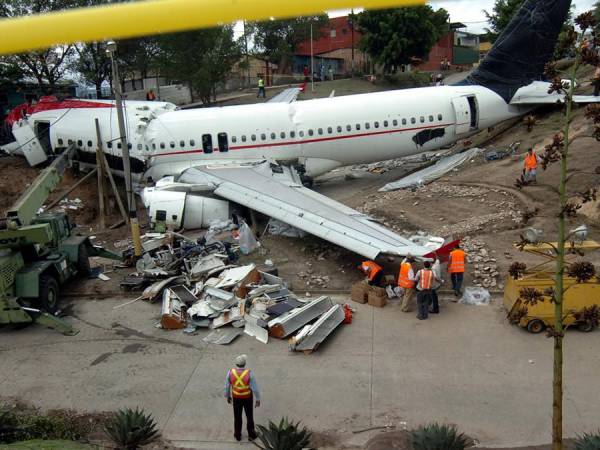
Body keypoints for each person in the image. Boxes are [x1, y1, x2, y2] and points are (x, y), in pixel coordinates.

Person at [224, 354, 261, 442]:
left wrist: (228, 396)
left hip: (236, 398)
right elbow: (255, 388)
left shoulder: (230, 372)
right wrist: (258, 399)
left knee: (237, 417)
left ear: (236, 364)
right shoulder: (249, 373)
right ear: (245, 363)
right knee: (249, 416)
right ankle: (251, 435)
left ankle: (237, 435)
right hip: (247, 397)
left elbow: (227, 386)